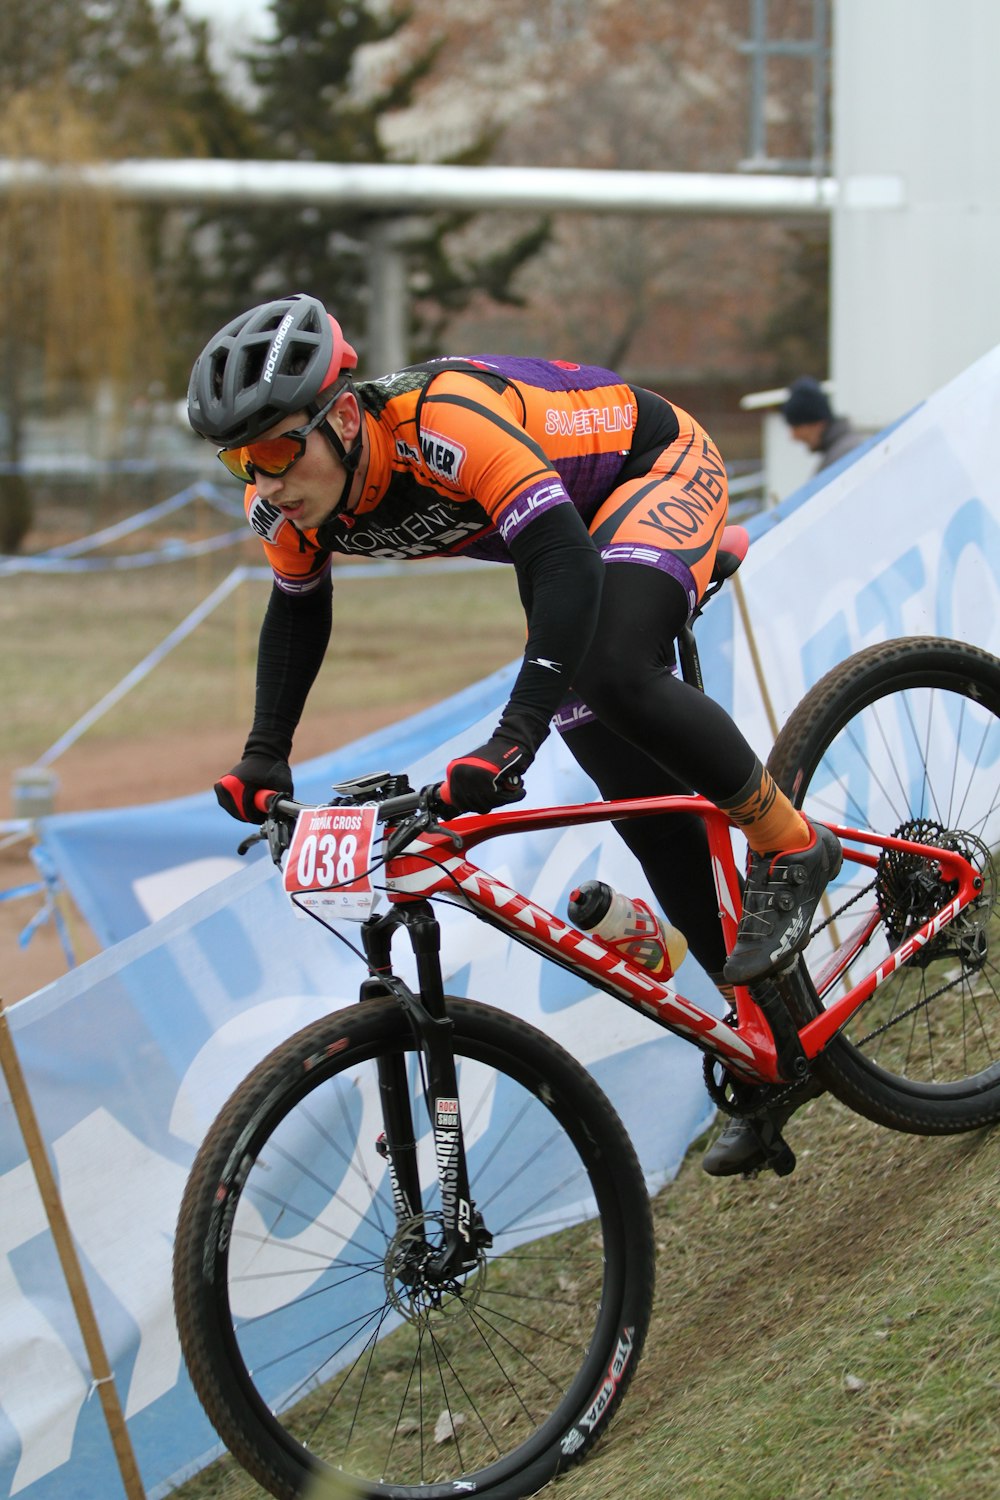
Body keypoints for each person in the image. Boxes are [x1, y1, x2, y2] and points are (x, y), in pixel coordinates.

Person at [187, 292, 842, 1176]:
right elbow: (298, 612)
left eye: (275, 449)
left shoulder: (445, 423)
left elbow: (561, 560)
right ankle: (767, 1036)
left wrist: (514, 734)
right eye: (240, 460)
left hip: (650, 468)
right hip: (569, 538)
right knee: (636, 797)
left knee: (609, 670)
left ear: (343, 416)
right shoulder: (283, 507)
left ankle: (792, 843)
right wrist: (266, 750)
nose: (263, 483)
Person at [782, 375, 867, 473]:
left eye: (796, 426)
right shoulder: (840, 451)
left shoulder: (843, 456)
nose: (794, 436)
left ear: (817, 423)